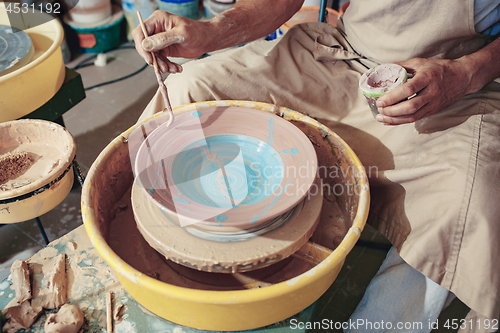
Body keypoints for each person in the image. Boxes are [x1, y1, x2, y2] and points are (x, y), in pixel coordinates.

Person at [133, 0, 500, 331]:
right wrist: (212, 32)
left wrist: (467, 73)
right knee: (189, 95)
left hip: (448, 88)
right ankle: (171, 270)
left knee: (472, 205)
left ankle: (379, 321)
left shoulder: (459, 78)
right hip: (342, 57)